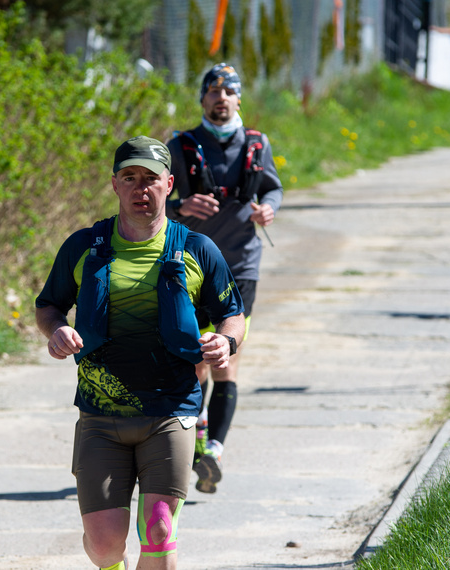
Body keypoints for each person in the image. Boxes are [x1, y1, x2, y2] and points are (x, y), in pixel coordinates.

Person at [35, 135, 245, 570]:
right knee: (105, 545)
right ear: (114, 185)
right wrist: (56, 330)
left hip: (171, 411)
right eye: (129, 178)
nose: (140, 189)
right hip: (100, 417)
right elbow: (48, 305)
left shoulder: (197, 249)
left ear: (170, 184)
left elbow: (232, 313)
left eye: (150, 179)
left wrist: (224, 342)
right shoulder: (84, 246)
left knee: (160, 530)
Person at [165, 63, 283, 494]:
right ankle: (196, 443)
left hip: (241, 267)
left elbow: (272, 188)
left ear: (238, 99)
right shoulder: (179, 144)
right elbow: (154, 194)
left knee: (226, 358)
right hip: (192, 267)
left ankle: (213, 449)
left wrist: (269, 208)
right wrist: (180, 208)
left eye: (228, 92)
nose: (220, 99)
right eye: (212, 92)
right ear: (201, 100)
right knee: (195, 361)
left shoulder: (257, 143)